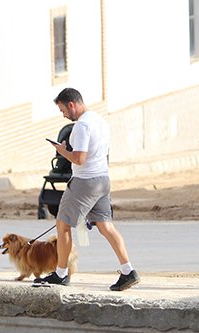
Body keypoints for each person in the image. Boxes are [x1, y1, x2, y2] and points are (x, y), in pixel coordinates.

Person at [35, 88, 140, 291]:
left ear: (71, 104)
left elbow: (79, 159)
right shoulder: (100, 121)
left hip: (84, 182)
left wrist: (62, 151)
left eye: (63, 110)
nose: (64, 115)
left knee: (62, 225)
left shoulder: (82, 126)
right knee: (106, 227)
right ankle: (128, 271)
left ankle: (61, 274)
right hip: (102, 179)